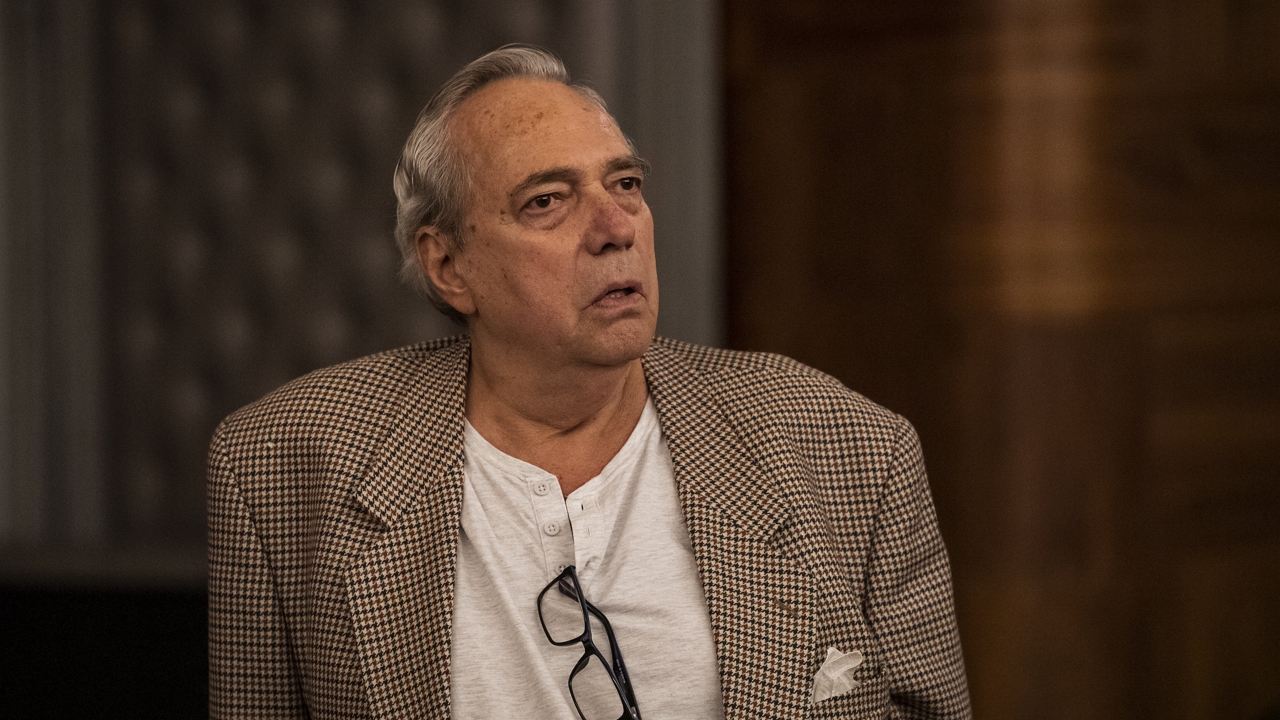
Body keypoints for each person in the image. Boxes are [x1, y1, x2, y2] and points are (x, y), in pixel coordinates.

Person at [208, 45, 971, 720]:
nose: (616, 227)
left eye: (625, 183)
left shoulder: (852, 448)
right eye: (547, 201)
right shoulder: (280, 464)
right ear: (448, 265)